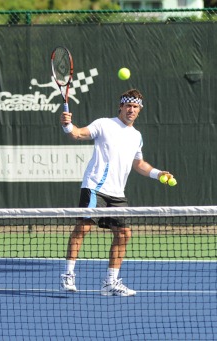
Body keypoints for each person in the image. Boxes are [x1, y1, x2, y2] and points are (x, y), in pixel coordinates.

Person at [58, 89, 174, 296]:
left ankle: (110, 282)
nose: (131, 110)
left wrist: (157, 174)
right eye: (128, 106)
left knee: (124, 233)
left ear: (139, 110)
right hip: (95, 187)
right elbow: (77, 133)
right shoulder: (104, 124)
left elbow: (138, 164)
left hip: (117, 194)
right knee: (83, 228)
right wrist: (67, 125)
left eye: (135, 106)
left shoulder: (136, 136)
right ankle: (68, 274)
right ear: (120, 107)